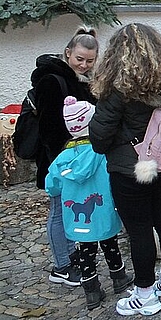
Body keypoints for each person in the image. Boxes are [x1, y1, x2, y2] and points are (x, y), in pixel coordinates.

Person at [89, 23, 161, 316]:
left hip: (133, 169)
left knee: (138, 230)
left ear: (117, 54)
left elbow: (99, 139)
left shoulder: (119, 87)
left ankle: (145, 294)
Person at [45, 97, 133, 310]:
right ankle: (119, 278)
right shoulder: (101, 152)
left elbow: (51, 186)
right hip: (103, 213)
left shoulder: (63, 157)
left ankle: (92, 292)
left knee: (85, 252)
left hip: (78, 221)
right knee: (110, 244)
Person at [31, 27, 99, 287]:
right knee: (59, 211)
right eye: (79, 59)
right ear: (68, 53)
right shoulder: (52, 80)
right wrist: (64, 163)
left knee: (71, 211)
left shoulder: (83, 80)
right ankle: (61, 265)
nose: (83, 64)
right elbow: (50, 129)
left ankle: (71, 254)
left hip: (77, 160)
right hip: (59, 160)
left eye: (89, 61)